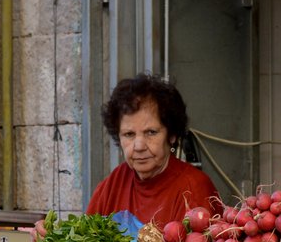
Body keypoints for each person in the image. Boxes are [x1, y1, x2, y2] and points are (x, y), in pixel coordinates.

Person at [85, 73, 219, 229]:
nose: (139, 146)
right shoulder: (112, 185)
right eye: (129, 134)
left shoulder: (194, 189)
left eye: (151, 132)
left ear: (172, 135)